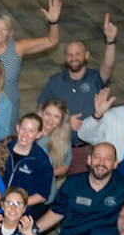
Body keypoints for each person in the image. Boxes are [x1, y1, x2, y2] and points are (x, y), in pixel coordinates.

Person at [0, 0, 63, 127]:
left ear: (9, 32)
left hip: (7, 108)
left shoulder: (17, 48)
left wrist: (53, 22)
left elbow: (51, 41)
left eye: (4, 29)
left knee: (4, 143)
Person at [36, 15, 118, 172]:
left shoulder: (96, 78)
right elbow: (41, 111)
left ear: (86, 56)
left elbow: (108, 65)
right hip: (56, 145)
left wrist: (110, 41)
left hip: (84, 150)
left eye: (78, 54)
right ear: (65, 58)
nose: (74, 58)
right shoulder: (55, 81)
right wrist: (66, 123)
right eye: (70, 55)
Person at [0, 112, 53, 216]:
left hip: (18, 213)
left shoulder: (41, 160)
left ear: (39, 134)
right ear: (17, 128)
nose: (25, 134)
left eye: (31, 131)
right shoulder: (1, 147)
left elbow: (43, 194)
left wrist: (15, 204)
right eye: (23, 128)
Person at [38, 98, 73, 181]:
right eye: (48, 114)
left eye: (56, 117)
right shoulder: (29, 131)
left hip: (46, 183)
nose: (50, 119)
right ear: (42, 113)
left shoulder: (63, 141)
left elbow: (65, 166)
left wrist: (48, 173)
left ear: (62, 120)